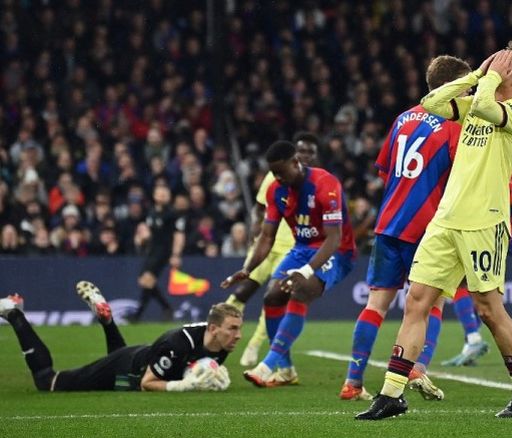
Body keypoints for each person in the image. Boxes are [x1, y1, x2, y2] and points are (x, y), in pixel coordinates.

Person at [357, 41, 512, 420]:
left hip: (484, 222)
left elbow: (490, 107)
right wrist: (477, 75)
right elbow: (432, 104)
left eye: (504, 64)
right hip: (445, 220)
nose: (495, 66)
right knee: (417, 301)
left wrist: (488, 80)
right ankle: (392, 394)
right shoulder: (474, 103)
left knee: (489, 309)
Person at [340, 55, 471, 402]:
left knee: (376, 304)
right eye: (467, 85)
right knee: (432, 304)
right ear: (453, 87)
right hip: (427, 228)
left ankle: (353, 382)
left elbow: (385, 170)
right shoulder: (454, 127)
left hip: (388, 223)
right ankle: (417, 368)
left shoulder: (403, 118)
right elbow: (461, 180)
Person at [221, 140, 356, 388]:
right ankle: (286, 370)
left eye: (281, 172)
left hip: (336, 252)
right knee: (272, 297)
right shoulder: (276, 190)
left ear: (296, 163)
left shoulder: (325, 185)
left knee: (300, 291)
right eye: (273, 173)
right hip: (302, 249)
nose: (277, 178)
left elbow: (334, 238)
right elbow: (267, 236)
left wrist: (305, 272)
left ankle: (267, 365)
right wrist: (248, 269)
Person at [0, 281, 240, 392]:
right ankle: (14, 313)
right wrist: (183, 386)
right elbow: (147, 384)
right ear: (212, 328)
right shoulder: (177, 344)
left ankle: (107, 320)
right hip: (125, 369)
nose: (238, 335)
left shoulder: (219, 344)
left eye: (238, 328)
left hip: (138, 356)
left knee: (120, 355)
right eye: (232, 328)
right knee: (47, 382)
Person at [226, 132, 320, 367]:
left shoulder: (317, 183)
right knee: (242, 291)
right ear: (293, 154)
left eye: (311, 151)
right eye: (302, 151)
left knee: (273, 297)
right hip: (266, 244)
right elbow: (259, 209)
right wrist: (253, 235)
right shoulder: (274, 177)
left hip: (292, 251)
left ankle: (253, 346)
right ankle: (214, 335)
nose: (306, 155)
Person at [442, 154, 512, 366]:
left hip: (490, 229)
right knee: (477, 288)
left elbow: (508, 198)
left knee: (466, 284)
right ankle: (470, 341)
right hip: (496, 228)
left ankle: (473, 338)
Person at [130, 184, 186, 322]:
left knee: (147, 279)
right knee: (145, 281)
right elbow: (147, 231)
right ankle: (166, 308)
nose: (162, 195)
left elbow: (179, 235)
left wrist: (175, 254)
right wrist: (142, 238)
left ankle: (137, 315)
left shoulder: (172, 214)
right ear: (154, 195)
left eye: (165, 193)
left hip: (164, 251)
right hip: (152, 249)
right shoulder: (151, 212)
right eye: (159, 193)